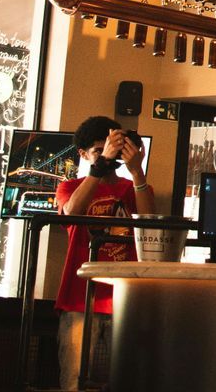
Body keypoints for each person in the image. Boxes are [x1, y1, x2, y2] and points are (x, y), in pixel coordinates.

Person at [53, 117, 154, 390]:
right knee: (73, 381)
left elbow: (148, 225)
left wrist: (137, 171)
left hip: (124, 301)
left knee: (122, 381)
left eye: (112, 150)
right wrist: (100, 167)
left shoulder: (130, 187)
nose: (108, 157)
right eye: (100, 151)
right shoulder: (69, 187)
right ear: (83, 155)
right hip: (80, 299)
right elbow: (72, 212)